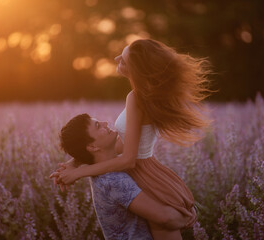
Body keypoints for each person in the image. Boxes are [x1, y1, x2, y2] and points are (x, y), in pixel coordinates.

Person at [53, 39, 212, 239]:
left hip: (143, 173)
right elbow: (121, 144)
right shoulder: (142, 97)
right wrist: (74, 161)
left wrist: (80, 172)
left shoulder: (136, 98)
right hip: (146, 170)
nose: (116, 58)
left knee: (163, 228)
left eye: (124, 59)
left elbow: (128, 159)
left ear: (136, 70)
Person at [50, 113, 188, 240]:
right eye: (98, 126)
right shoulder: (113, 180)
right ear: (93, 147)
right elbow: (166, 218)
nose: (105, 123)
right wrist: (188, 216)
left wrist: (74, 164)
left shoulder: (105, 169)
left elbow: (120, 147)